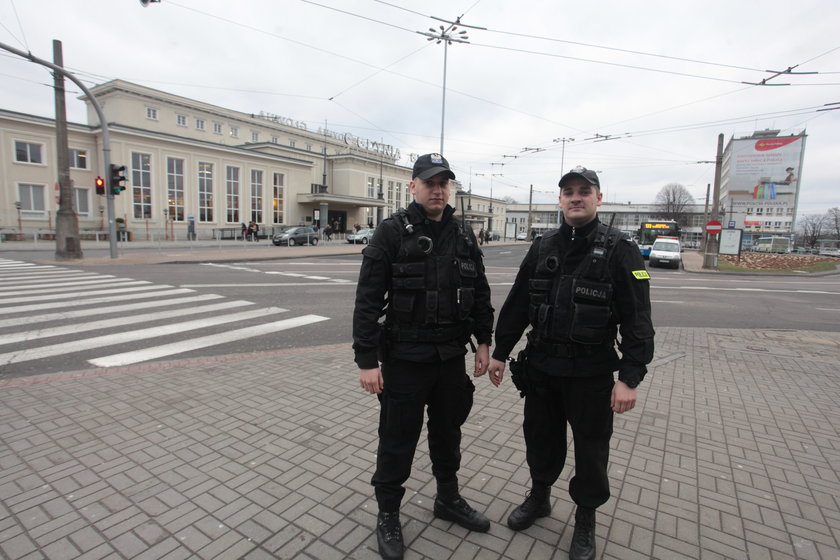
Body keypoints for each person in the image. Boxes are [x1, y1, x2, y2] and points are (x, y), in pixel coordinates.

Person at [486, 166, 655, 560]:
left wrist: (629, 378)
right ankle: (540, 497)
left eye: (584, 191)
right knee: (540, 439)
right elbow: (516, 306)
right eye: (568, 192)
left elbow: (638, 319)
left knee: (591, 450)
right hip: (543, 369)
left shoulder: (620, 249)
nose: (576, 197)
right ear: (560, 200)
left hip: (592, 374)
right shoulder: (542, 246)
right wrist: (499, 352)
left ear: (598, 197)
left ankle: (586, 518)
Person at [353, 153, 494, 560]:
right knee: (397, 439)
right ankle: (388, 514)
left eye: (444, 183)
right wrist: (367, 360)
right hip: (405, 359)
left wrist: (483, 342)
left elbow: (480, 293)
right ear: (413, 186)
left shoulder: (464, 234)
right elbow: (366, 301)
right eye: (430, 182)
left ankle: (447, 499)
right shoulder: (392, 232)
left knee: (448, 433)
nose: (438, 189)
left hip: (450, 358)